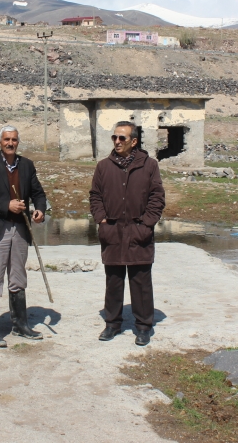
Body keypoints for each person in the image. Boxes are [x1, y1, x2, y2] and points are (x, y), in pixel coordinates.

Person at [89, 121, 165, 346]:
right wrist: (102, 220)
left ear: (134, 141)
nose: (117, 142)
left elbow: (157, 197)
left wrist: (147, 224)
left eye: (122, 138)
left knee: (140, 281)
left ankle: (143, 327)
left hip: (138, 231)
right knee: (113, 280)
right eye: (114, 137)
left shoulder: (149, 165)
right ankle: (112, 324)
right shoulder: (104, 166)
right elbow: (95, 196)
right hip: (112, 232)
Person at [0, 125, 47, 348]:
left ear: (18, 142)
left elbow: (38, 193)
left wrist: (40, 209)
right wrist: (7, 205)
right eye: (6, 139)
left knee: (18, 278)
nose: (10, 143)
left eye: (14, 140)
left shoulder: (26, 165)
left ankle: (20, 325)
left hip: (20, 230)